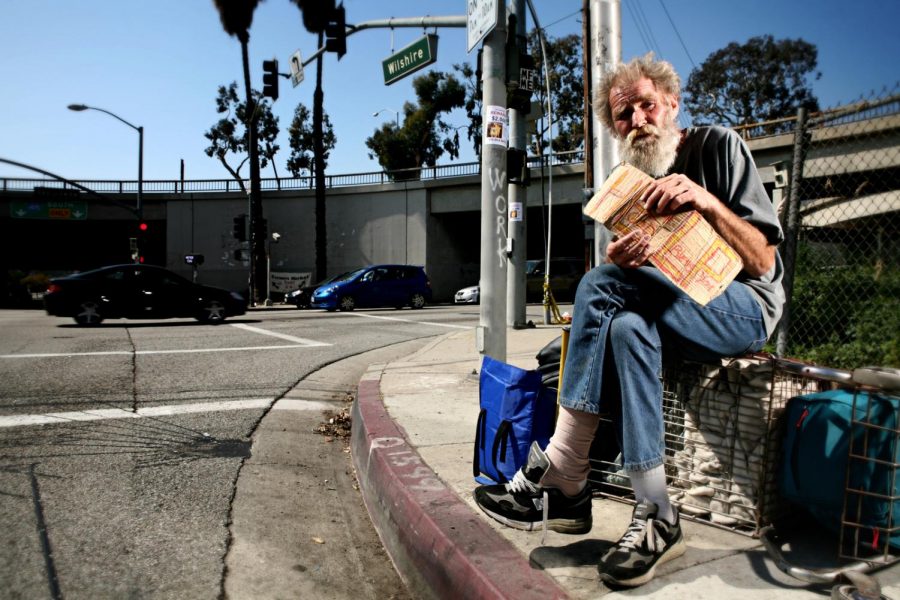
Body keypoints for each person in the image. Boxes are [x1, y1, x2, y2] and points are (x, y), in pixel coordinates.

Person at [474, 53, 785, 588]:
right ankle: (657, 511)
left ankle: (566, 469)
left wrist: (705, 200)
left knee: (597, 285)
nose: (638, 119)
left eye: (647, 106)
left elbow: (763, 262)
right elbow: (623, 294)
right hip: (672, 313)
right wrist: (625, 261)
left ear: (671, 104)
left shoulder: (717, 145)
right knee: (624, 326)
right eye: (624, 114)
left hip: (744, 308)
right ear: (613, 127)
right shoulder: (630, 182)